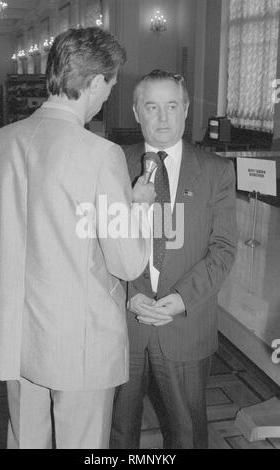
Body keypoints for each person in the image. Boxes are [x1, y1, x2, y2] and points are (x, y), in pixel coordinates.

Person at [0, 28, 155, 449]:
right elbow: (128, 262)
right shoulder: (100, 154)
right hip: (80, 342)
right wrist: (139, 206)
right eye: (110, 87)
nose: (106, 97)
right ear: (95, 82)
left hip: (16, 336)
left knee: (26, 441)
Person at [110, 69, 237, 449]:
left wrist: (181, 299)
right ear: (136, 112)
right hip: (124, 323)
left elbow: (223, 248)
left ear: (185, 110)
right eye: (152, 107)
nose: (163, 118)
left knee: (187, 431)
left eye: (171, 106)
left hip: (186, 324)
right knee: (118, 430)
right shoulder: (112, 164)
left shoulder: (217, 171)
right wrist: (130, 294)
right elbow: (97, 244)